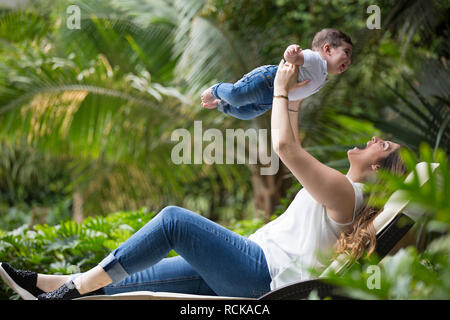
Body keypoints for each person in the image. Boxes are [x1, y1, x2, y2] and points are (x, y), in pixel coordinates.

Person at [0, 59, 404, 300]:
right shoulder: (342, 189)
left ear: (377, 169)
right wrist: (293, 97)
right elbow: (291, 141)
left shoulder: (349, 194)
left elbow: (284, 148)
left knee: (174, 220)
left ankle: (69, 290)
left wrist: (280, 89)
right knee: (136, 281)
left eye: (381, 145)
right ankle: (43, 285)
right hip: (250, 264)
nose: (372, 139)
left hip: (260, 275)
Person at [200, 28, 353, 120]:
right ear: (327, 49)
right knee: (236, 96)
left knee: (245, 113)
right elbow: (291, 58)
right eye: (346, 52)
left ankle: (221, 105)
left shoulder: (323, 75)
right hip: (268, 80)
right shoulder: (315, 59)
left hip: (272, 98)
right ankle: (215, 90)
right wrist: (291, 52)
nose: (349, 60)